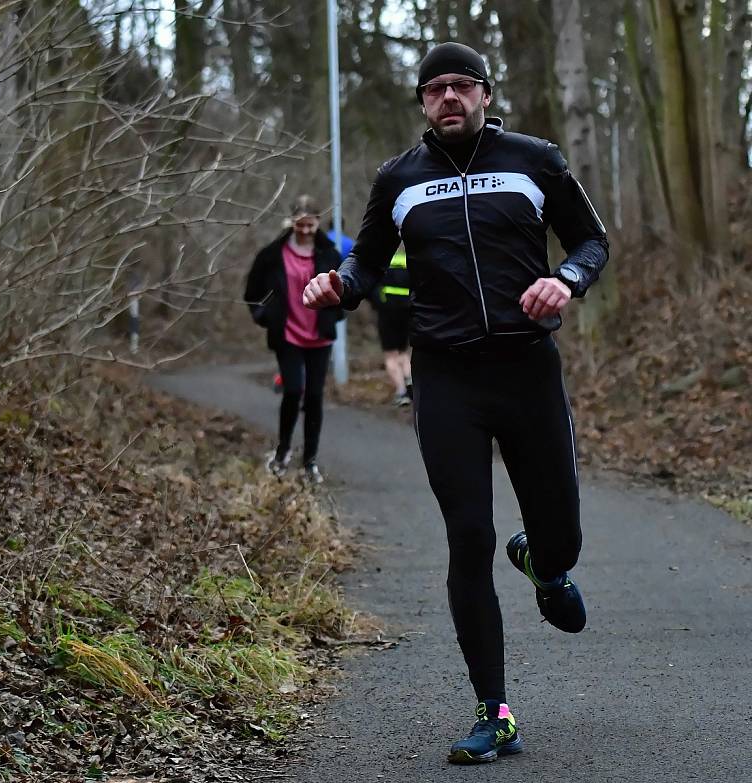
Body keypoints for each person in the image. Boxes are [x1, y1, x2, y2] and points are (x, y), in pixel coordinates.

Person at [302, 42, 608, 764]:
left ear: (485, 94)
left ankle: (543, 560)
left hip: (527, 370)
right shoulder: (398, 179)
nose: (449, 97)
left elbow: (592, 239)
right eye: (435, 87)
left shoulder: (536, 160)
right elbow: (367, 261)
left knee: (561, 536)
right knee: (468, 537)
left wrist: (565, 278)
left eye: (461, 85)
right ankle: (493, 710)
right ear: (422, 103)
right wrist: (339, 288)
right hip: (447, 381)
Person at [245, 195, 344, 485]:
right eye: (299, 224)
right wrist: (263, 315)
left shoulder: (329, 253)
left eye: (309, 225)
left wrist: (334, 315)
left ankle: (310, 461)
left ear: (317, 223)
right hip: (287, 334)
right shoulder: (272, 254)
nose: (304, 230)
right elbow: (252, 291)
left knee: (314, 397)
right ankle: (282, 451)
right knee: (293, 391)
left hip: (319, 335)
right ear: (292, 223)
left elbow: (345, 288)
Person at [369, 247, 412, 406]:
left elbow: (371, 287)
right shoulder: (408, 260)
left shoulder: (382, 262)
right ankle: (410, 381)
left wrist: (378, 304)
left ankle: (401, 393)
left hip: (387, 313)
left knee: (390, 355)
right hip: (407, 311)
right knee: (403, 352)